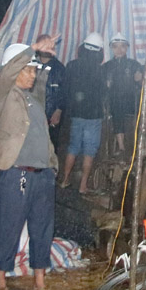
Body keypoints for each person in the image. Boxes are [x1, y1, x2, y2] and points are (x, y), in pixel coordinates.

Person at [0, 43, 57, 290]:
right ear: (12, 70)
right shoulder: (2, 94)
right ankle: (1, 282)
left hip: (43, 174)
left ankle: (39, 282)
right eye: (26, 70)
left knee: (42, 228)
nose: (31, 75)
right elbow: (5, 75)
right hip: (18, 173)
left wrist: (43, 57)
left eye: (33, 71)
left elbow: (43, 78)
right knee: (9, 225)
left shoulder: (33, 100)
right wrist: (32, 48)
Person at [58, 32, 106, 194]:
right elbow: (103, 93)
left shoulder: (71, 65)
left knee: (73, 147)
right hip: (94, 115)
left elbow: (66, 89)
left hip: (76, 114)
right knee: (89, 150)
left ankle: (65, 180)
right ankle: (83, 185)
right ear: (100, 51)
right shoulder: (100, 70)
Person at [103, 33, 143, 156]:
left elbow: (142, 85)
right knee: (117, 107)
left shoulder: (134, 64)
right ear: (111, 48)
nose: (119, 50)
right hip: (115, 100)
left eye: (122, 47)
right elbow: (102, 88)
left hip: (132, 99)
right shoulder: (106, 66)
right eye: (116, 47)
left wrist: (139, 80)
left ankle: (139, 145)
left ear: (127, 48)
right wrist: (106, 85)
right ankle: (121, 147)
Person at [32, 33, 66, 147]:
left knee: (50, 148)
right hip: (32, 116)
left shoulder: (60, 69)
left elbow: (65, 92)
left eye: (49, 45)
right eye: (44, 45)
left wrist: (59, 111)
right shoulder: (31, 66)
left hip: (51, 117)